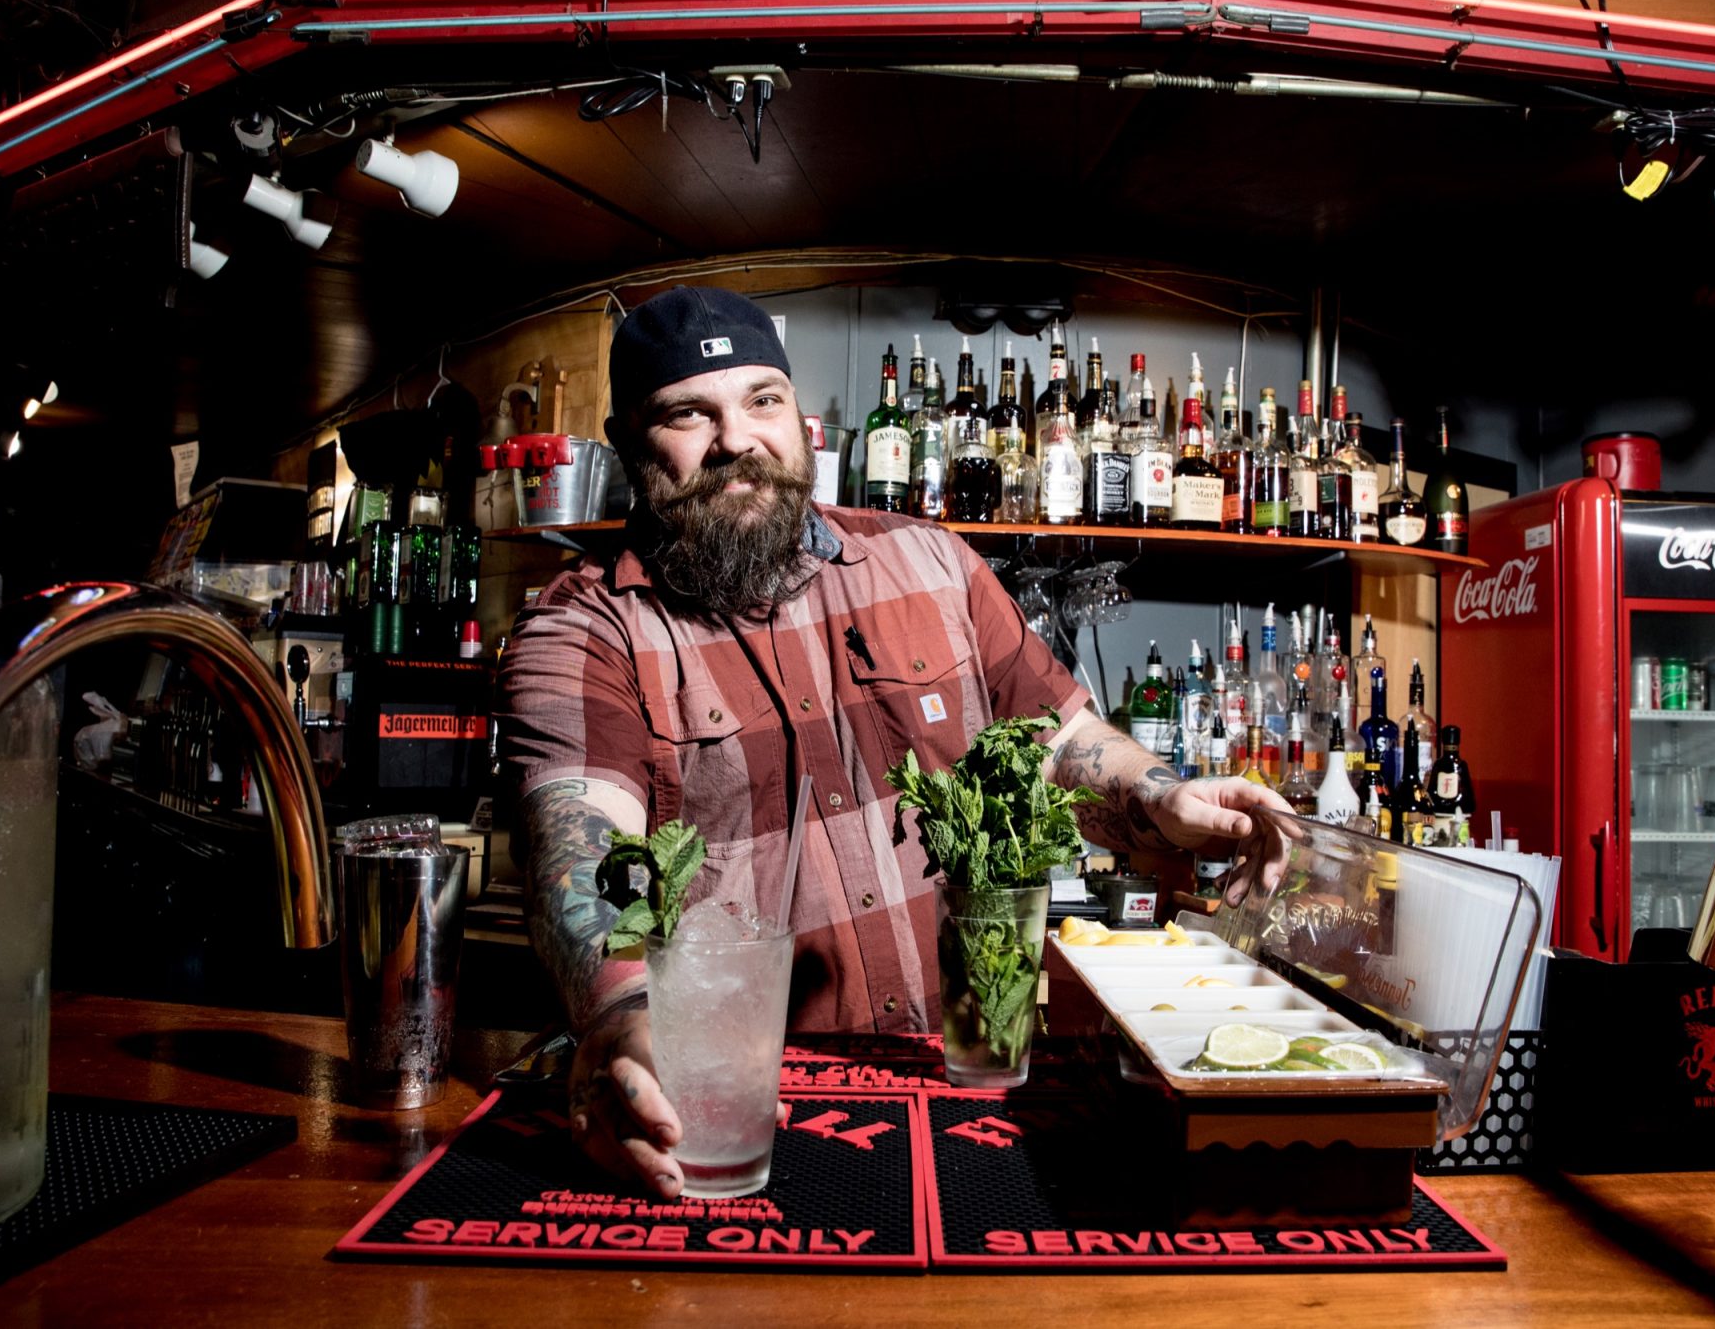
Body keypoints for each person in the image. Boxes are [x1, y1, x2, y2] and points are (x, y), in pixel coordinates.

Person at [496, 285, 1290, 1196]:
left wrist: (1160, 795)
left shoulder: (933, 564)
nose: (737, 440)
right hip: (737, 1111)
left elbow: (1058, 738)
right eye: (688, 413)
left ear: (799, 417)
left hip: (959, 1094)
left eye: (762, 400)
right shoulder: (582, 629)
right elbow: (579, 841)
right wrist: (620, 1018)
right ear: (630, 442)